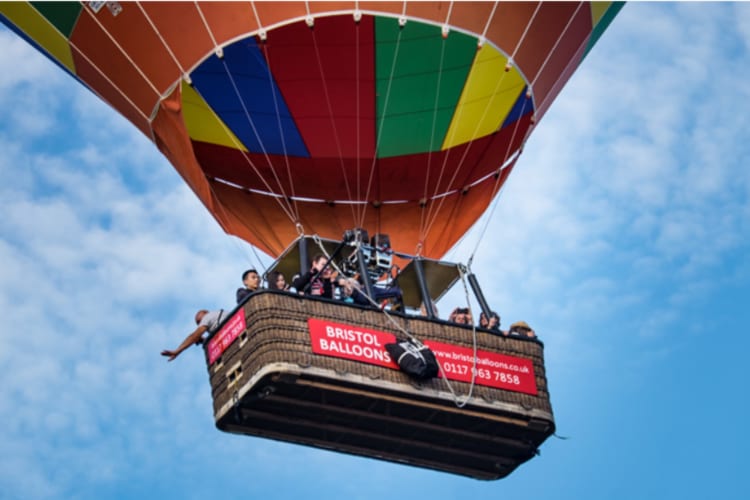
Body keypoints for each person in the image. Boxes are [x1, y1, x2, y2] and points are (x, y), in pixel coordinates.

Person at [161, 309, 227, 361]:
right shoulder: (219, 314)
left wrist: (177, 351)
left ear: (205, 313)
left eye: (199, 322)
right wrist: (203, 340)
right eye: (198, 323)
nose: (200, 324)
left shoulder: (207, 317)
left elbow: (194, 336)